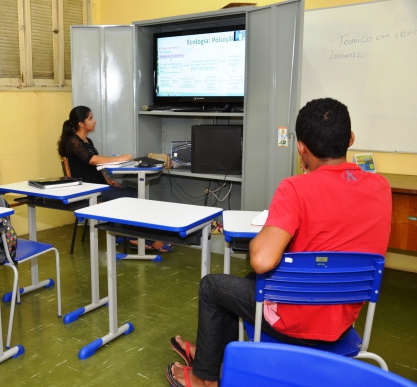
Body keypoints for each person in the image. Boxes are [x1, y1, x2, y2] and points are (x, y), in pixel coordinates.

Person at [166, 98, 392, 387]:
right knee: (245, 283)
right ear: (350, 139)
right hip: (342, 322)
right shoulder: (380, 187)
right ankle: (212, 356)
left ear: (301, 147)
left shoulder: (296, 188)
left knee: (212, 286)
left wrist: (275, 222)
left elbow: (261, 259)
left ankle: (203, 379)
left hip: (296, 324)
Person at [57, 106, 173, 253]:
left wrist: (107, 179)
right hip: (90, 191)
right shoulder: (74, 142)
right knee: (133, 197)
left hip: (100, 185)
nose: (95, 121)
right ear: (81, 123)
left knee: (135, 192)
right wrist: (119, 158)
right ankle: (139, 238)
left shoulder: (87, 141)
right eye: (90, 118)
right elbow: (92, 160)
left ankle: (129, 233)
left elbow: (94, 168)